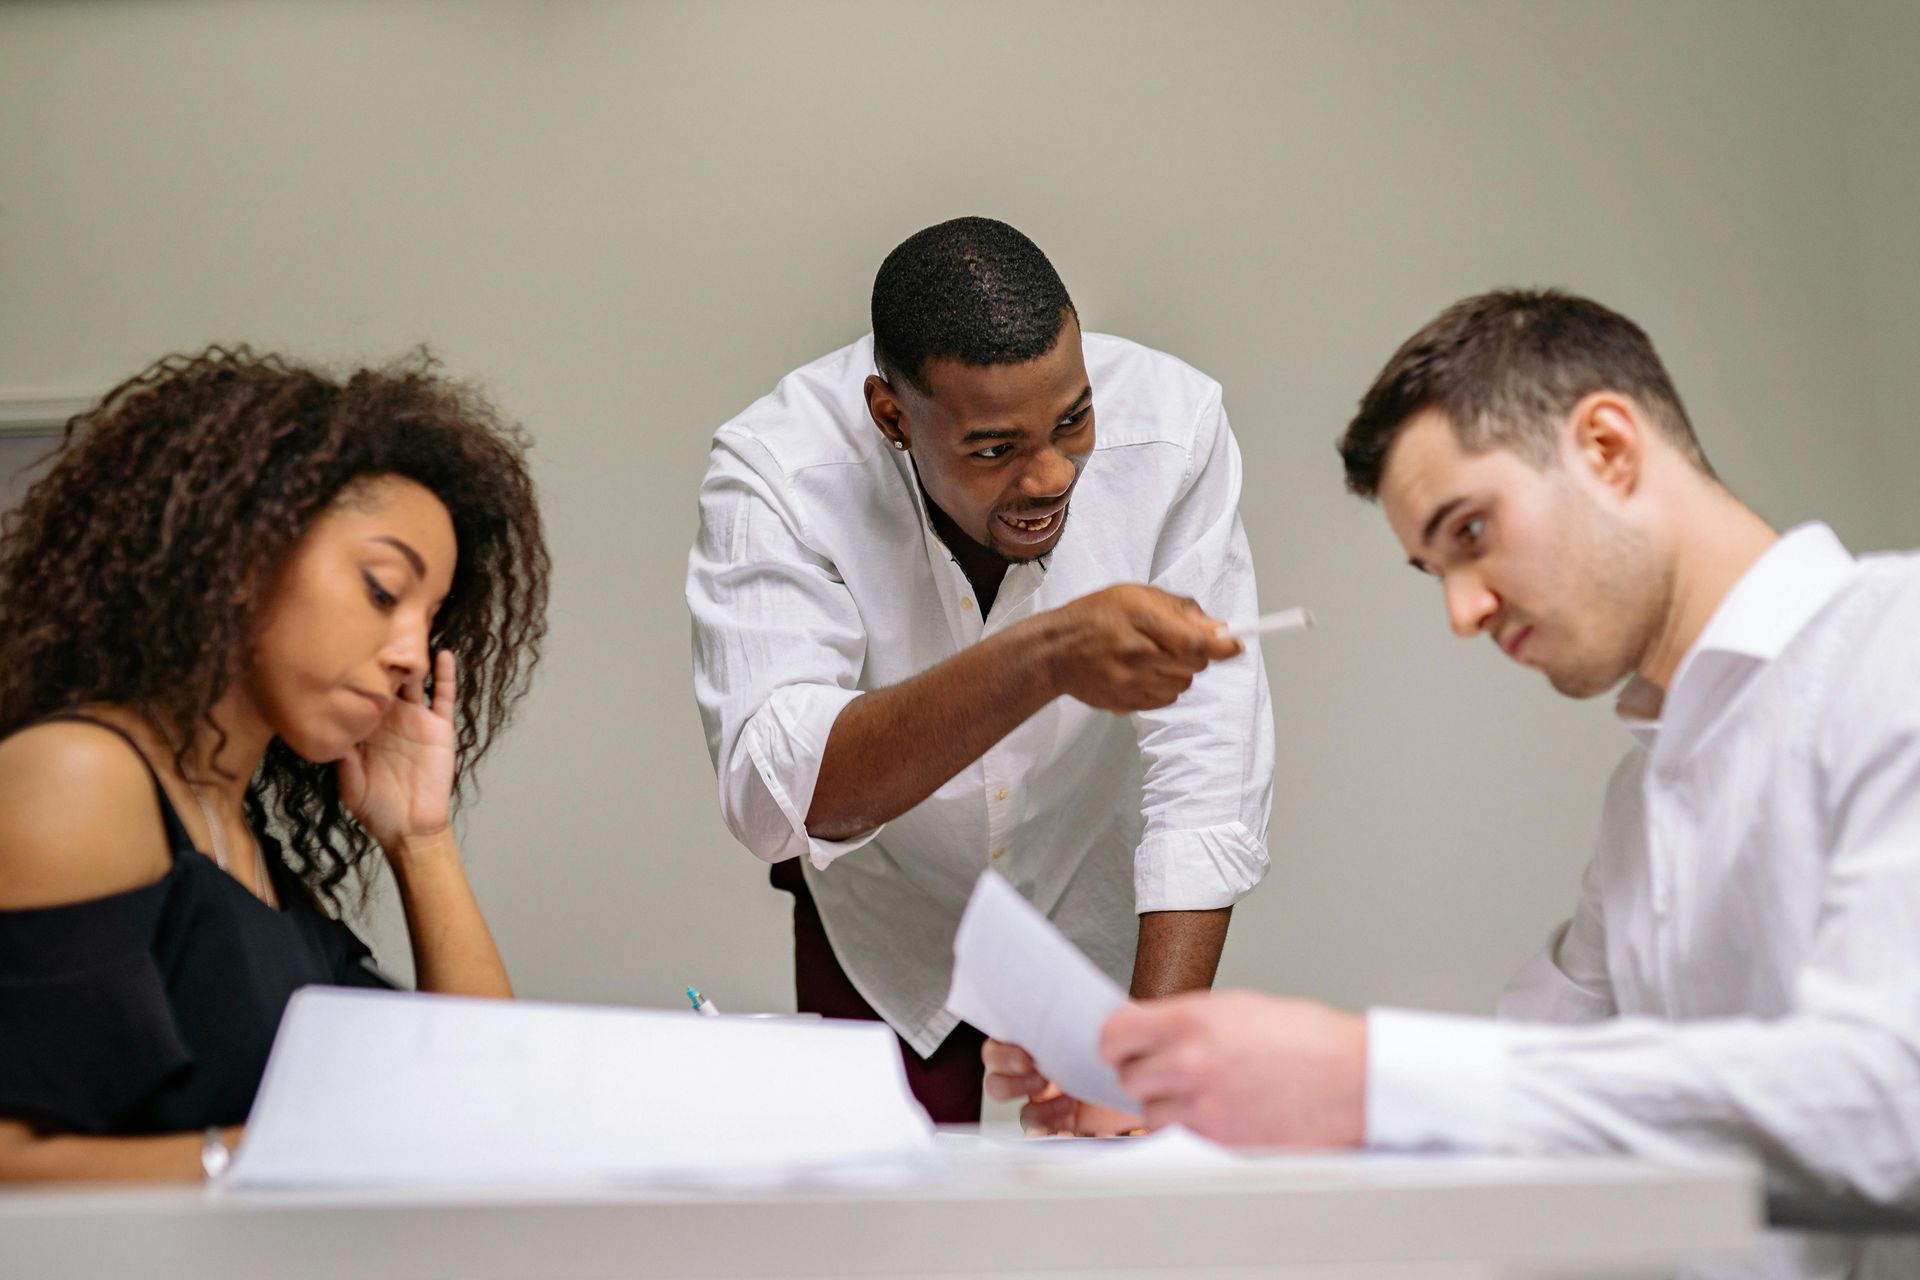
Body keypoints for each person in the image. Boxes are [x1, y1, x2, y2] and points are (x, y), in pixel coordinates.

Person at [1063, 290, 1919, 1278]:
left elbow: (1891, 1096)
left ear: (1607, 446)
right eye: (1433, 569)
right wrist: (1177, 1078)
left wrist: (1358, 1074)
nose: (1463, 610)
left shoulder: (1897, 647)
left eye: (1469, 531)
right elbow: (1523, 1091)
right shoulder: (1642, 806)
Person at [687, 217, 1274, 1127]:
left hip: (1096, 881)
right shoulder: (781, 471)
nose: (1049, 477)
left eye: (1072, 421)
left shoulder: (1173, 429)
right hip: (886, 917)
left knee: (1108, 1220)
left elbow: (1209, 767)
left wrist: (1147, 1064)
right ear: (892, 415)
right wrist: (1045, 656)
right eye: (995, 449)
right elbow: (774, 803)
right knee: (888, 1231)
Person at [0, 346, 550, 1181]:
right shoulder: (81, 777)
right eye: (380, 589)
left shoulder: (243, 843)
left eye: (429, 617)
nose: (411, 652)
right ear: (240, 554)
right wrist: (271, 1163)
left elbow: (481, 1094)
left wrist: (420, 838)